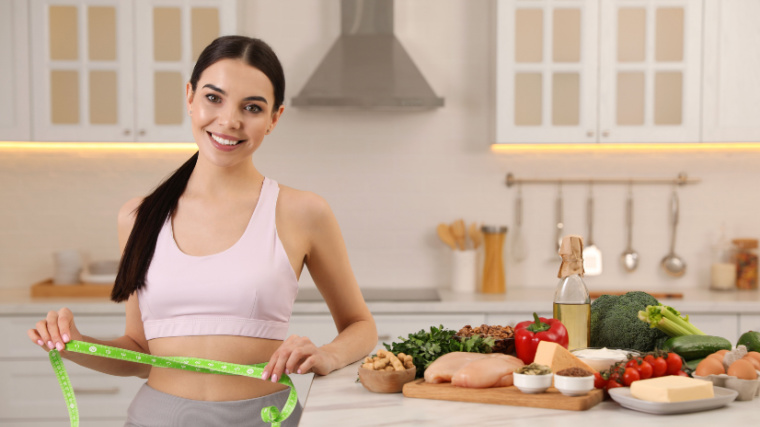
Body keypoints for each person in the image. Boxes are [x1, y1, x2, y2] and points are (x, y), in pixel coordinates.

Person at [27, 35, 377, 426]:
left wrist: (329, 354)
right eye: (214, 98)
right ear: (190, 97)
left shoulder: (302, 211)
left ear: (274, 118)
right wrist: (72, 344)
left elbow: (360, 326)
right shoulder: (139, 218)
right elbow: (139, 352)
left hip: (264, 419)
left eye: (252, 107)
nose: (229, 120)